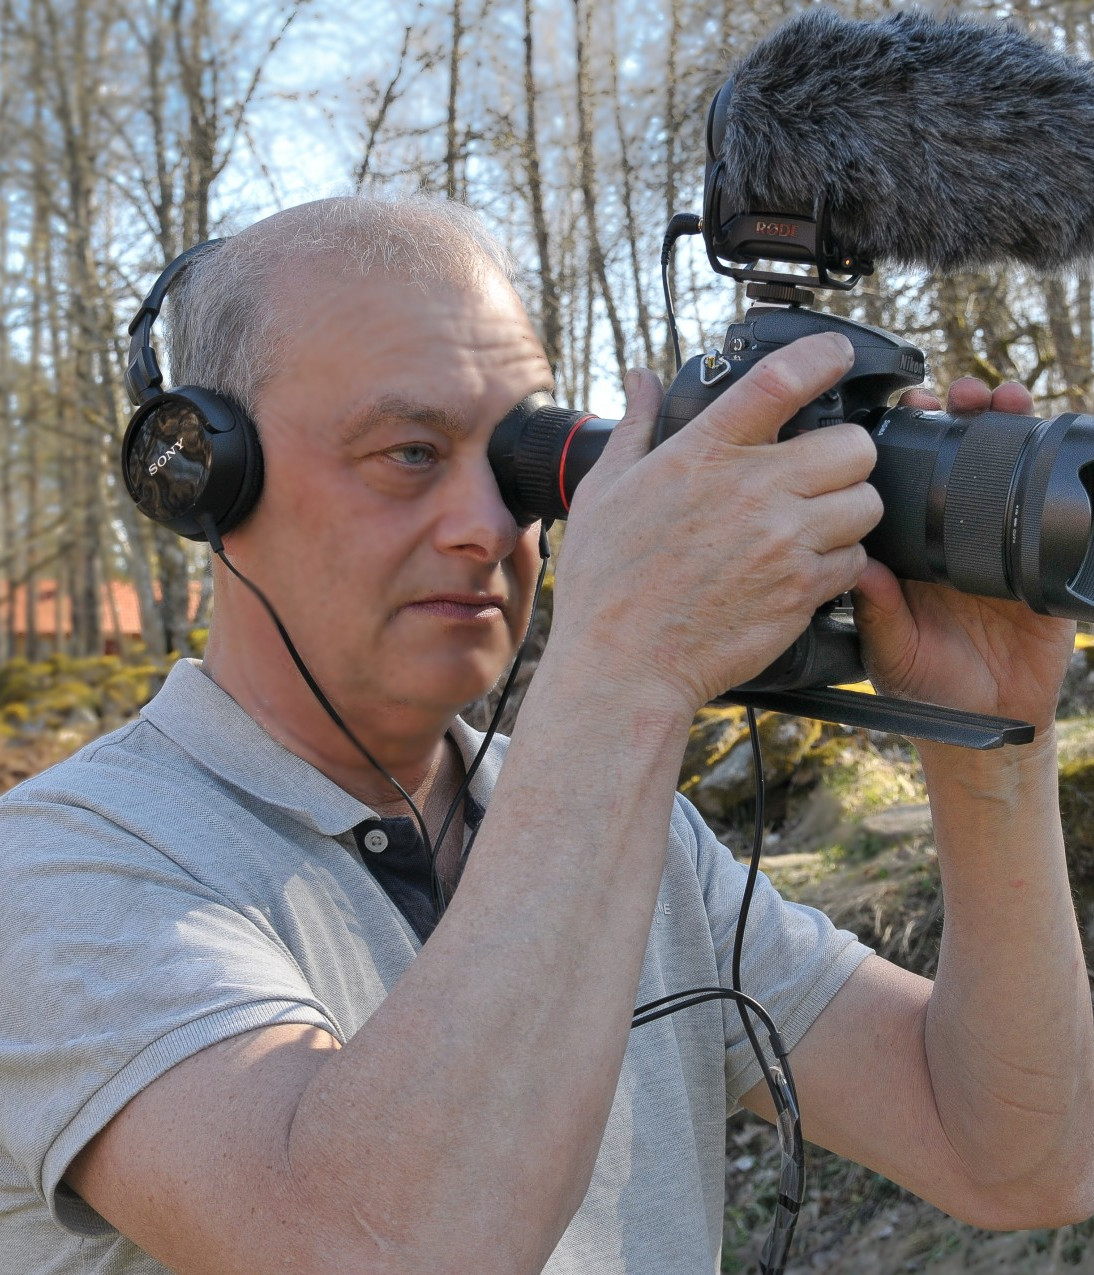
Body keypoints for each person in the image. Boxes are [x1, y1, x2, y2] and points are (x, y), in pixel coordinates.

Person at [0, 195, 1091, 1275]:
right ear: (201, 473)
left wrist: (989, 742)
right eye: (410, 453)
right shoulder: (62, 871)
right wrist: (625, 668)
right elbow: (371, 1249)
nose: (491, 527)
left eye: (520, 461)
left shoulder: (626, 833)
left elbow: (1015, 1155)